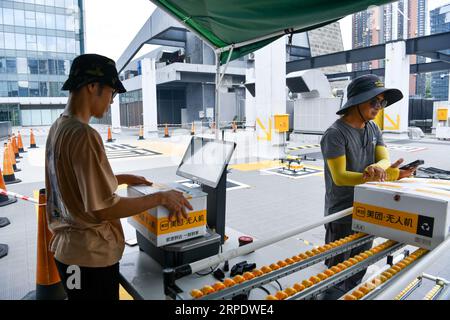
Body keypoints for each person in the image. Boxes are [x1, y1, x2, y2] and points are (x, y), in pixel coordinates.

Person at [45, 54, 193, 300]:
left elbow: (74, 182)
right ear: (93, 87)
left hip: (67, 252)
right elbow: (104, 208)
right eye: (112, 93)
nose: (112, 102)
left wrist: (121, 177)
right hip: (90, 257)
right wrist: (161, 198)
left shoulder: (59, 127)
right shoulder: (84, 135)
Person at [320, 74, 418, 296]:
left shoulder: (373, 128)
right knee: (336, 267)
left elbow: (384, 157)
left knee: (360, 262)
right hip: (342, 212)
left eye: (382, 103)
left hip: (369, 208)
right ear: (356, 101)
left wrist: (382, 169)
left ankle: (351, 291)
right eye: (373, 101)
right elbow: (340, 177)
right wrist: (378, 175)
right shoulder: (335, 134)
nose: (378, 107)